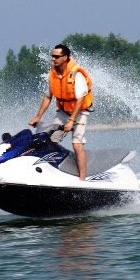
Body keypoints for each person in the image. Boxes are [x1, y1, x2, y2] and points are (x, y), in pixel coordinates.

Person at [29, 43, 93, 180]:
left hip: (80, 112)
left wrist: (71, 121)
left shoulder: (76, 74)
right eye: (52, 56)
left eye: (57, 56)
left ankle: (83, 179)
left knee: (77, 144)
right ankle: (51, 171)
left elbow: (80, 100)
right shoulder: (52, 75)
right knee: (50, 141)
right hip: (63, 112)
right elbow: (48, 97)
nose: (53, 59)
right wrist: (37, 117)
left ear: (65, 57)